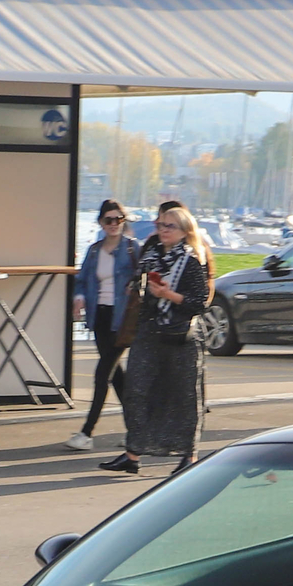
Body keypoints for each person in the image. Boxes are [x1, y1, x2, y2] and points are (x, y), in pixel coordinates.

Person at [105, 201, 211, 477]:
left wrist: (169, 295)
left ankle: (189, 456)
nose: (163, 229)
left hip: (181, 337)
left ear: (184, 231)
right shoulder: (151, 253)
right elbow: (135, 280)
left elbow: (199, 303)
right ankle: (132, 454)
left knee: (184, 398)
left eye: (170, 226)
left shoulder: (190, 260)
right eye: (161, 224)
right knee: (137, 391)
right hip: (149, 332)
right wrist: (138, 286)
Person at [63, 200, 134, 451]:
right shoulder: (94, 251)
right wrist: (79, 298)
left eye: (118, 220)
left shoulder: (132, 249)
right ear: (101, 223)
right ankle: (135, 432)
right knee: (116, 376)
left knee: (102, 373)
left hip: (123, 318)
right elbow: (82, 280)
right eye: (108, 220)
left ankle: (86, 432)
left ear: (123, 222)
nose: (114, 225)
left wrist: (134, 285)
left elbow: (145, 277)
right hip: (100, 316)